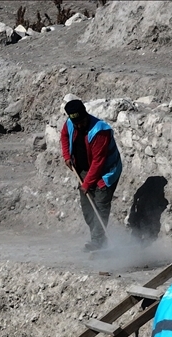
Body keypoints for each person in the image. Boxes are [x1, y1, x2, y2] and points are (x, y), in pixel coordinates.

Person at [60, 99, 123, 252]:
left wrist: (87, 184)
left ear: (86, 115)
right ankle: (98, 238)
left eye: (81, 122)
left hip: (105, 173)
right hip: (83, 170)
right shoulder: (70, 123)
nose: (79, 126)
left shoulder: (99, 131)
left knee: (100, 207)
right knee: (88, 209)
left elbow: (98, 162)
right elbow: (64, 136)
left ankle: (97, 242)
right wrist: (67, 156)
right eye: (76, 123)